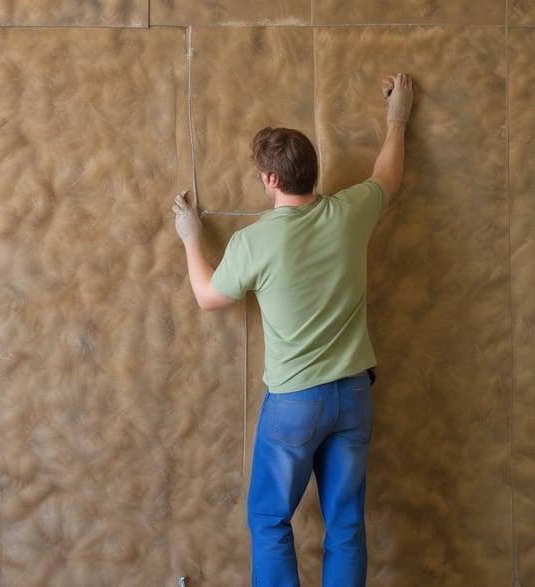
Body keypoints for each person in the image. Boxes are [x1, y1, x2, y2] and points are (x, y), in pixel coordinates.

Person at [172, 73, 414, 586]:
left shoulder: (252, 243)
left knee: (269, 519)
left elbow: (207, 297)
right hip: (353, 394)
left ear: (270, 180)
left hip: (295, 403)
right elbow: (387, 176)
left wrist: (192, 239)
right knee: (346, 525)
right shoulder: (350, 212)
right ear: (311, 173)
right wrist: (398, 117)